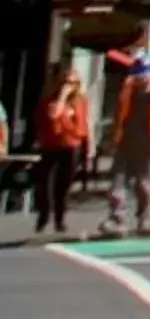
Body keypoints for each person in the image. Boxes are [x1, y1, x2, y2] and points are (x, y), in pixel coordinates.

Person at [97, 57, 150, 237]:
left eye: (145, 76)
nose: (142, 81)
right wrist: (113, 139)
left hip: (149, 145)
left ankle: (144, 219)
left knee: (143, 184)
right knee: (118, 182)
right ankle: (116, 220)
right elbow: (118, 116)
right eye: (138, 77)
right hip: (125, 143)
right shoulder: (127, 89)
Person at [33, 66, 90, 239]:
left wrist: (89, 145)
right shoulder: (51, 100)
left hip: (72, 145)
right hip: (51, 145)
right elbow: (54, 115)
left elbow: (84, 123)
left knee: (64, 185)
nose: (69, 86)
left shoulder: (81, 100)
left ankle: (60, 219)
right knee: (46, 184)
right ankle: (44, 215)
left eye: (73, 83)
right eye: (66, 82)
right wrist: (63, 97)